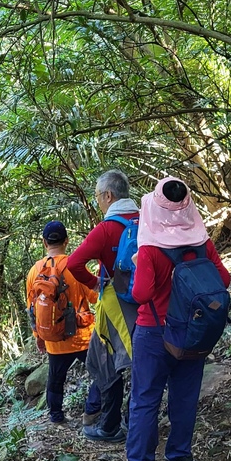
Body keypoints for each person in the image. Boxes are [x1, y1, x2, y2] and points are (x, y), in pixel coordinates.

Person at [126, 177, 231, 461]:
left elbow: (141, 295)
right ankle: (180, 454)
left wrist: (137, 265)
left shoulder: (150, 248)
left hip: (154, 331)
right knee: (185, 396)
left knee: (146, 396)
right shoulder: (201, 242)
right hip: (192, 332)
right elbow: (222, 280)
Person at [67, 170, 139, 443]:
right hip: (148, 301)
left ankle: (111, 427)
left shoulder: (106, 229)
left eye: (98, 196)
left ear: (108, 195)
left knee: (106, 360)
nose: (98, 201)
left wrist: (96, 283)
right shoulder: (147, 219)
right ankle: (135, 421)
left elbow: (74, 263)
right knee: (141, 359)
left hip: (115, 304)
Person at [26, 220, 101, 425]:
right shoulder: (75, 266)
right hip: (82, 337)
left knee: (55, 378)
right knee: (102, 373)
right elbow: (95, 297)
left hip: (54, 339)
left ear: (44, 242)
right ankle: (93, 410)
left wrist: (38, 337)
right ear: (66, 241)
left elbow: (32, 308)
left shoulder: (34, 272)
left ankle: (56, 415)